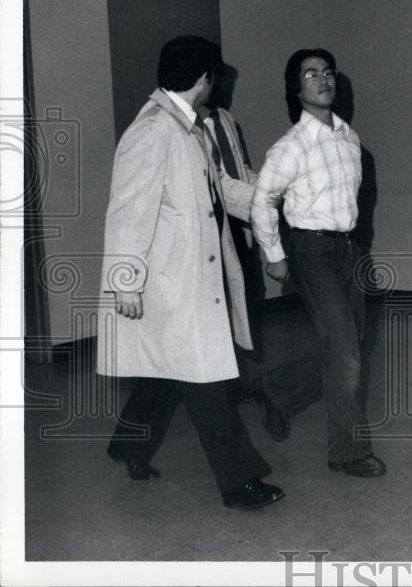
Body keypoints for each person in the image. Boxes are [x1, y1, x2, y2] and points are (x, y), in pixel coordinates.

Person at [99, 35, 284, 510]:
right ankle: (239, 482)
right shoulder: (153, 132)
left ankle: (129, 445)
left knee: (167, 372)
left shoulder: (190, 128)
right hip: (170, 283)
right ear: (205, 79)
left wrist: (271, 198)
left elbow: (220, 187)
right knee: (206, 383)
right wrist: (125, 282)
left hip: (192, 278)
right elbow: (127, 212)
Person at [251, 48, 385, 478]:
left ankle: (277, 392)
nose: (323, 79)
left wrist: (359, 245)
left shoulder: (350, 138)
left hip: (349, 251)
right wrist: (275, 255)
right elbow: (262, 202)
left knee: (349, 349)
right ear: (297, 87)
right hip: (311, 253)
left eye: (328, 72)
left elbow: (355, 200)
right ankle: (346, 452)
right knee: (346, 354)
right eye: (311, 74)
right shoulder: (290, 146)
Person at [202, 65, 289, 441]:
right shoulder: (195, 128)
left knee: (248, 309)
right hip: (218, 234)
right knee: (224, 318)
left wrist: (272, 187)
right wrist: (261, 202)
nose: (226, 90)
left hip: (244, 231)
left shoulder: (226, 119)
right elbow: (220, 184)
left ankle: (244, 383)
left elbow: (241, 170)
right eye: (221, 83)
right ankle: (238, 388)